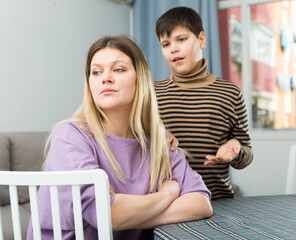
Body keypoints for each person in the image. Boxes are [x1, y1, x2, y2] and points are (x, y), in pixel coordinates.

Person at [26, 35, 212, 240]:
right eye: (96, 72)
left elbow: (200, 204)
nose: (105, 78)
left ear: (139, 78)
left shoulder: (161, 144)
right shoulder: (71, 136)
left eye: (118, 69)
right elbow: (107, 214)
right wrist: (168, 194)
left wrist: (130, 214)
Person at [154, 6, 253, 200]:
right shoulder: (151, 94)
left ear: (201, 39)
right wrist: (155, 138)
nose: (173, 48)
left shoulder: (230, 93)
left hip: (218, 202)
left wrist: (236, 149)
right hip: (167, 204)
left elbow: (246, 154)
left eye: (181, 40)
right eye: (165, 44)